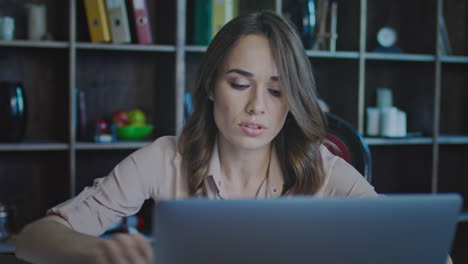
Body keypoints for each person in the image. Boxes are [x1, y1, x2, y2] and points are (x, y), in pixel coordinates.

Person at [15, 10, 451, 264]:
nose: (257, 106)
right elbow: (32, 239)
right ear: (210, 86)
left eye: (277, 91)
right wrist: (93, 254)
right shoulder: (166, 158)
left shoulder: (320, 167)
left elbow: (427, 253)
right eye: (240, 84)